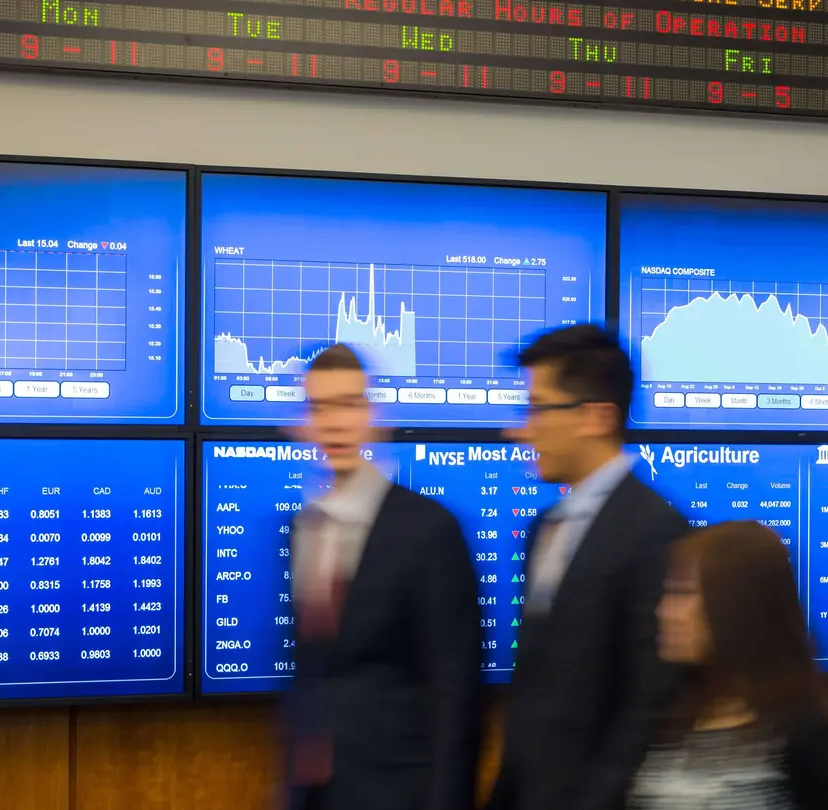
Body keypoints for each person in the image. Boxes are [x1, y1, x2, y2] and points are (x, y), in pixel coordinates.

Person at [489, 324, 689, 810]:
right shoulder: (547, 527)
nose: (519, 429)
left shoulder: (654, 530)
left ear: (596, 417)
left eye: (539, 408)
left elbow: (649, 706)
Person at [280, 343, 481, 810]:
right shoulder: (304, 526)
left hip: (400, 793)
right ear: (302, 423)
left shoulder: (428, 528)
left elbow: (455, 692)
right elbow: (312, 678)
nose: (334, 422)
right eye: (319, 406)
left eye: (349, 404)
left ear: (375, 415)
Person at [629, 521, 828, 810]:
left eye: (683, 593)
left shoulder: (801, 730)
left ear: (733, 605)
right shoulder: (670, 712)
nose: (664, 611)